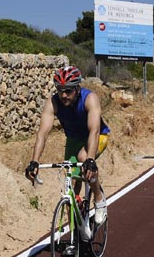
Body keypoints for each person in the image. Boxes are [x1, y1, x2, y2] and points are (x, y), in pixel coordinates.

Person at [25, 65, 110, 224]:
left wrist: (90, 160)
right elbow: (42, 133)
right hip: (73, 139)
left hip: (97, 136)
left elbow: (94, 131)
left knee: (84, 159)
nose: (63, 95)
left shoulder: (90, 98)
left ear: (77, 88)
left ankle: (99, 200)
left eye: (68, 91)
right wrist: (34, 161)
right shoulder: (53, 102)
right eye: (60, 90)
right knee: (70, 182)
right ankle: (76, 234)